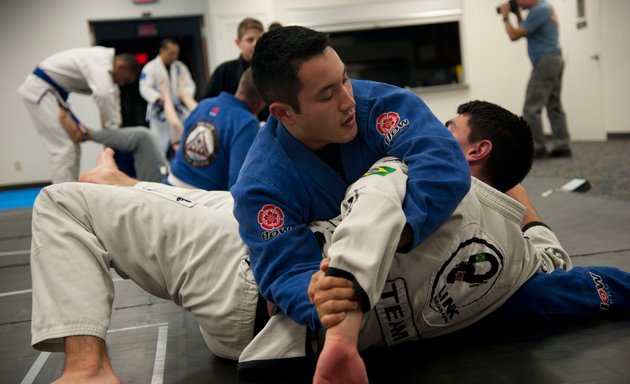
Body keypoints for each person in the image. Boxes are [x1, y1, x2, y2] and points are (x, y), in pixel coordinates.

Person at [30, 100, 630, 383]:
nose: (432, 135)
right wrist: (515, 192)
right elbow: (560, 265)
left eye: (448, 131)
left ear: (472, 153)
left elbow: (370, 208)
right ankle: (130, 185)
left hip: (262, 279)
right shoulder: (521, 266)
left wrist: (341, 330)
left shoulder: (417, 175)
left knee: (63, 202)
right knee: (233, 203)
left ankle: (88, 369)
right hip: (265, 319)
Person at [230, 25, 471, 332]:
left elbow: (444, 163)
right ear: (284, 113)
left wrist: (392, 233)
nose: (348, 101)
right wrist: (319, 294)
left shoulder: (381, 105)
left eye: (344, 78)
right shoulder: (261, 185)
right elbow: (284, 270)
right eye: (327, 95)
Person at [61, 68, 264, 191]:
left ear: (240, 85)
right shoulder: (247, 122)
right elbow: (237, 188)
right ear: (262, 102)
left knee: (142, 136)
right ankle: (114, 175)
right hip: (195, 198)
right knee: (143, 137)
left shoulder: (206, 104)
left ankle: (92, 139)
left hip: (172, 181)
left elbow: (184, 132)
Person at [17, 46, 140, 183]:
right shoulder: (100, 61)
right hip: (40, 90)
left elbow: (112, 96)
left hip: (55, 94)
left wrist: (113, 131)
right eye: (126, 79)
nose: (123, 84)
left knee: (73, 146)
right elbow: (104, 95)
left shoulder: (106, 68)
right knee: (63, 149)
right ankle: (61, 199)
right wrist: (113, 133)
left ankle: (71, 190)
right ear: (121, 67)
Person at [499, 0, 572, 158]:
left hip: (546, 61)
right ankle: (562, 145)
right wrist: (517, 14)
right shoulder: (544, 8)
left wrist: (505, 16)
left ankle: (537, 147)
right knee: (554, 105)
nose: (516, 2)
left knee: (531, 107)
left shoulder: (539, 9)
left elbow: (514, 35)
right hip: (554, 59)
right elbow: (524, 29)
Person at [139, 38, 196, 154]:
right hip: (159, 111)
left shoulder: (180, 67)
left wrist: (185, 94)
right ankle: (160, 168)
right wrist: (158, 97)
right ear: (162, 51)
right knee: (159, 144)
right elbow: (144, 88)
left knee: (184, 139)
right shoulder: (150, 68)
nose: (174, 57)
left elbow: (190, 84)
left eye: (176, 54)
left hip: (178, 109)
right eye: (171, 53)